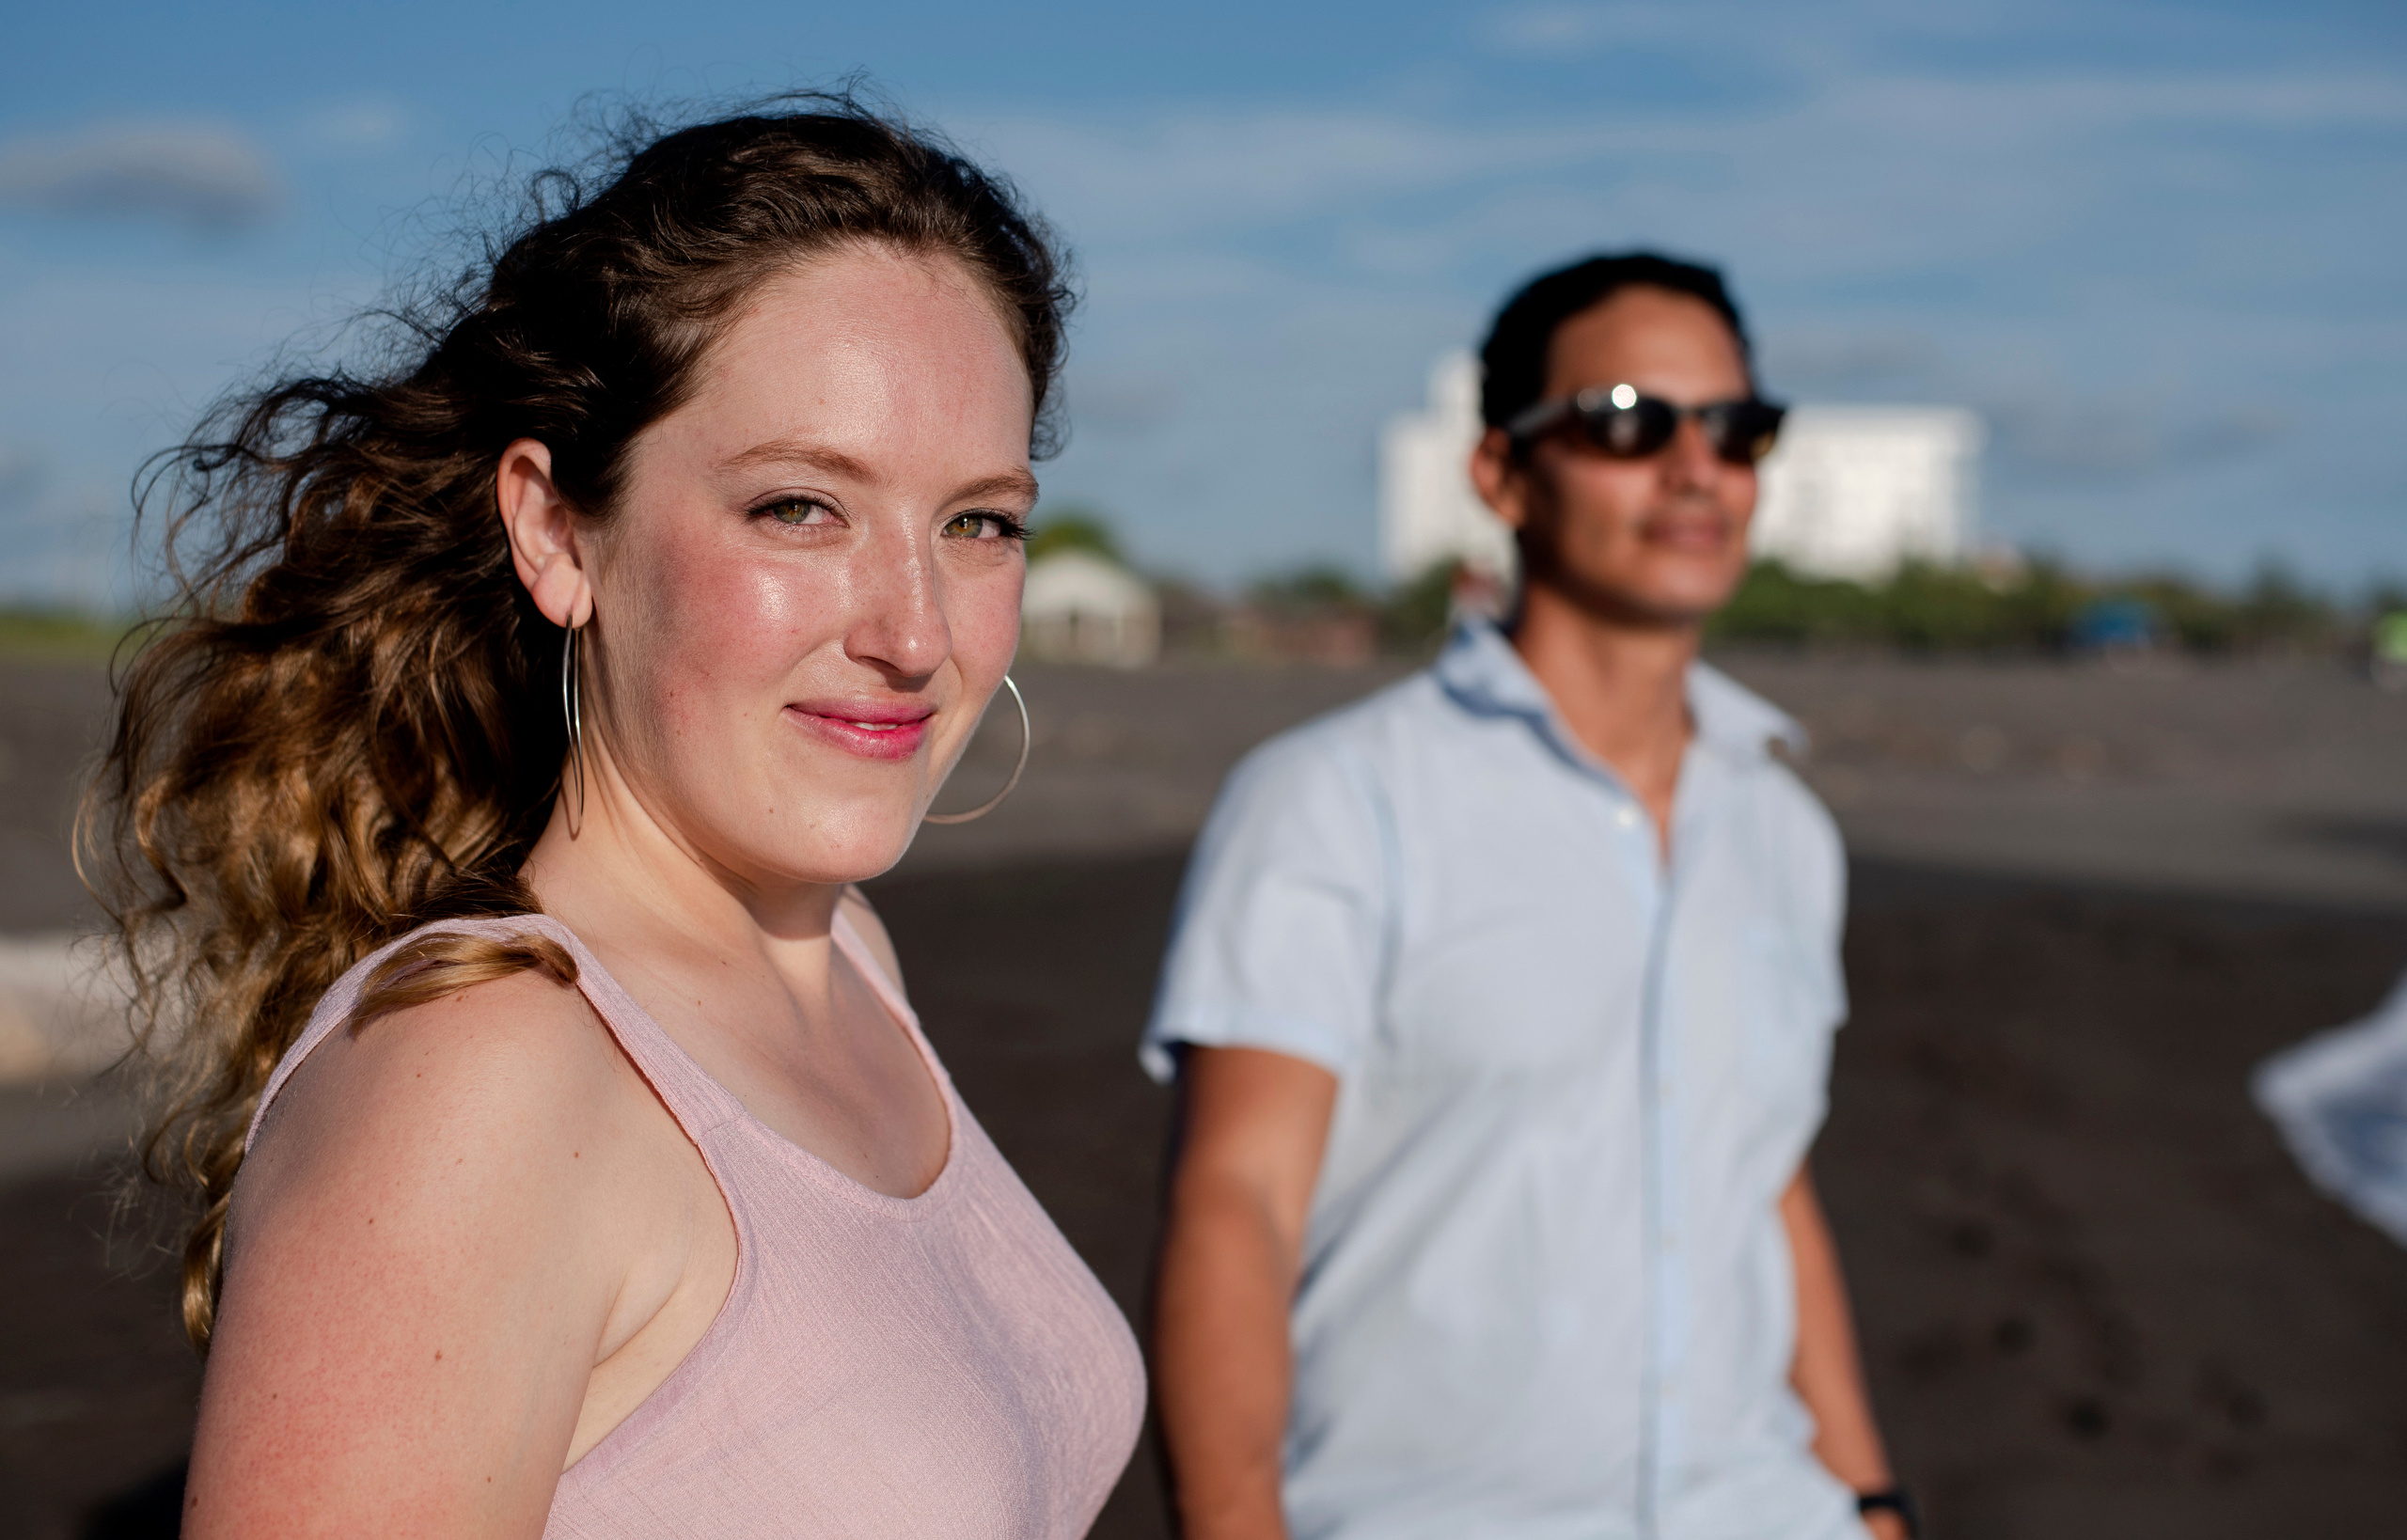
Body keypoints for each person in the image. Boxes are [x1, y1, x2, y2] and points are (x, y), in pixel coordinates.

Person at [87, 99, 1142, 1537]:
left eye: (979, 522)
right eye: (799, 507)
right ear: (556, 529)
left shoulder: (848, 961)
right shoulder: (481, 1078)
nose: (915, 632)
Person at [1145, 253, 1908, 1540]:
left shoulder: (1783, 827)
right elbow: (1238, 1205)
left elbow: (1763, 1182)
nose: (1693, 468)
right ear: (1501, 470)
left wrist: (1876, 1501)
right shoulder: (1336, 800)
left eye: (1736, 428)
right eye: (1626, 420)